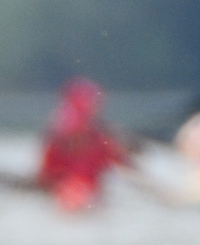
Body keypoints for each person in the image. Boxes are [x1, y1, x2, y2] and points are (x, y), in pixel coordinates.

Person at [35, 78, 132, 210]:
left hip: (87, 196)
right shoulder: (55, 143)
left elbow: (124, 165)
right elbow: (43, 176)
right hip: (69, 195)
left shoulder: (102, 141)